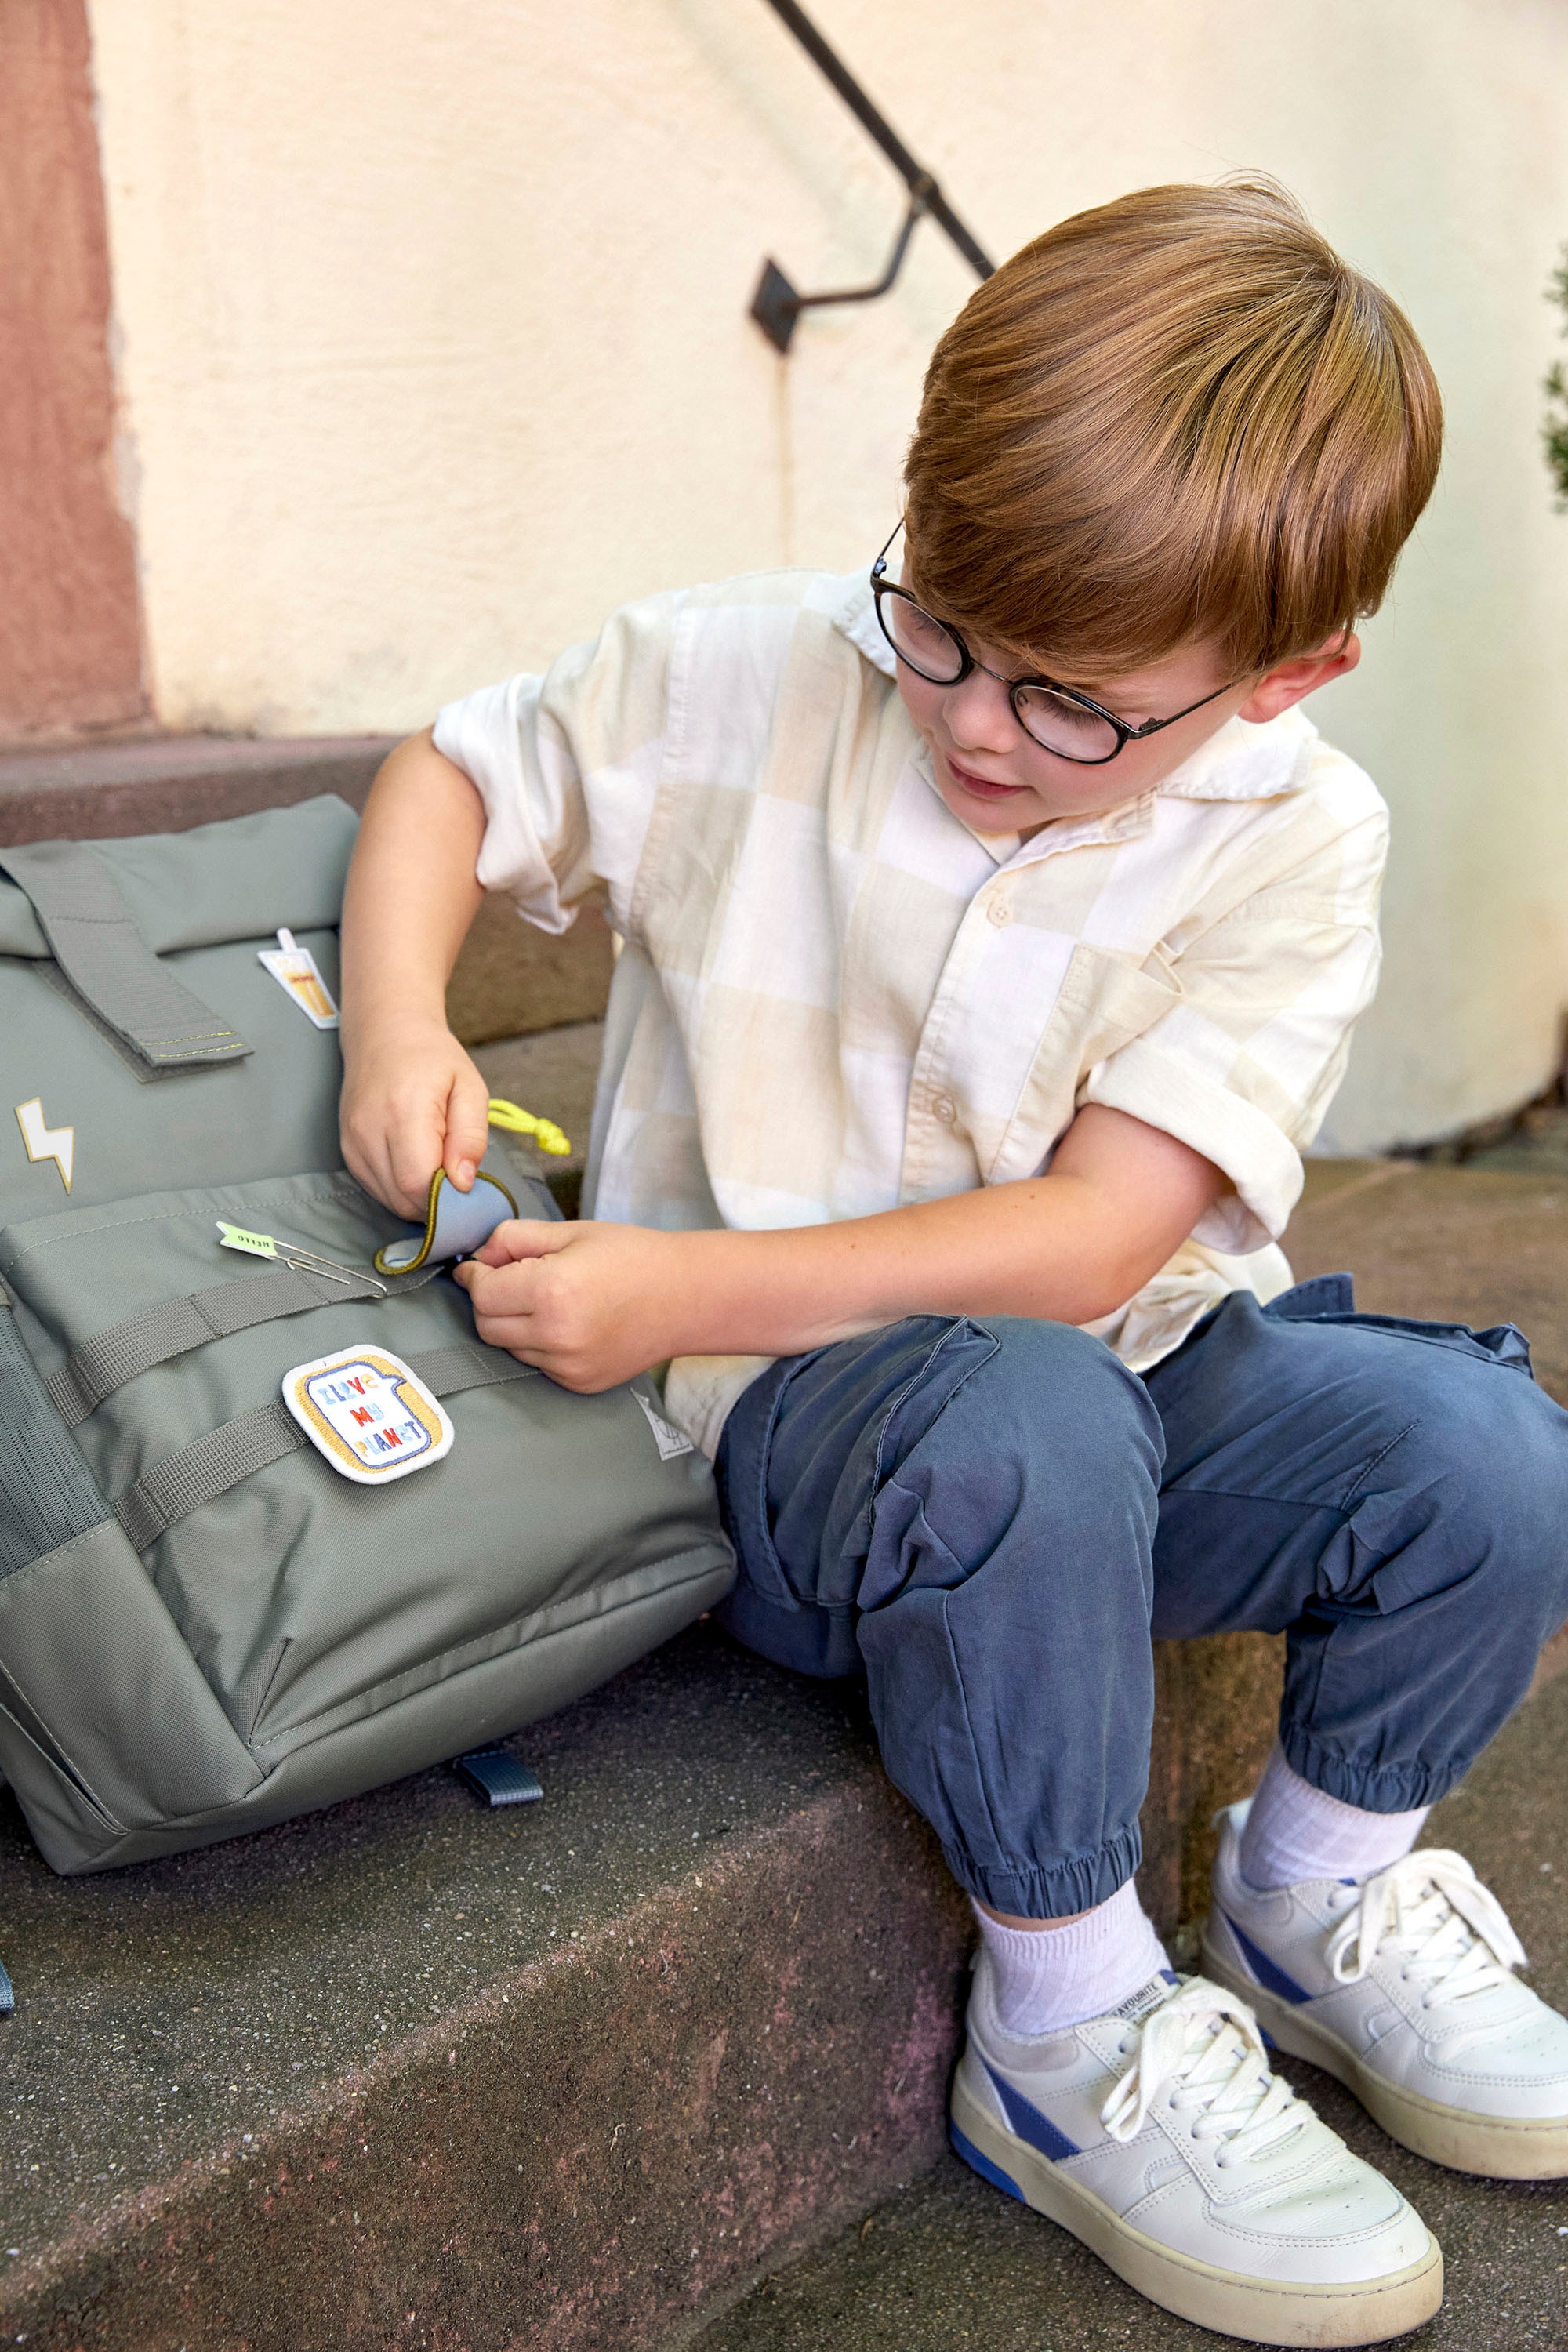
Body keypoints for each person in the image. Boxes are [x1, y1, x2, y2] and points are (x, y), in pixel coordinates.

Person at [338, 179, 1568, 2347]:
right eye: (948, 632)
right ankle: (1070, 2028)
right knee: (1022, 1414)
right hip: (811, 1444)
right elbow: (451, 770)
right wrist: (408, 1022)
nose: (983, 724)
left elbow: (1102, 1239)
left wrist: (658, 1276)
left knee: (1487, 1451)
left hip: (1071, 1377)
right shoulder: (743, 670)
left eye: (1082, 704)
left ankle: (1314, 1903)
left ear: (1291, 674)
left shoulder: (1302, 834)